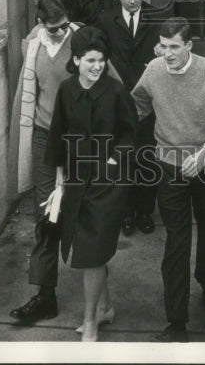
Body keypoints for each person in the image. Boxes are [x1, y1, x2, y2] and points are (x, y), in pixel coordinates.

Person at [132, 17, 205, 342]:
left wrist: (204, 155)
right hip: (168, 165)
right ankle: (176, 322)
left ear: (189, 46)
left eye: (174, 46)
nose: (168, 53)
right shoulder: (153, 71)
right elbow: (137, 104)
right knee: (176, 240)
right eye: (163, 46)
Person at [46, 25, 137, 341]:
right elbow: (58, 134)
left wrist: (112, 162)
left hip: (108, 183)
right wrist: (59, 178)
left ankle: (91, 323)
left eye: (101, 60)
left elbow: (130, 134)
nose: (97, 67)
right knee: (88, 250)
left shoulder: (115, 92)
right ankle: (106, 307)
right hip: (75, 180)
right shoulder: (67, 90)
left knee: (91, 252)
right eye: (90, 61)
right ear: (76, 60)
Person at [7, 0, 79, 325]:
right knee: (45, 215)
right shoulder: (33, 47)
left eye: (65, 25)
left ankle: (98, 296)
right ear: (41, 25)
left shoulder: (83, 40)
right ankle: (44, 295)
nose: (61, 32)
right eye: (54, 29)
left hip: (79, 140)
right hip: (44, 136)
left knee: (86, 213)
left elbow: (114, 88)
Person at [95, 0, 162, 236]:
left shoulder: (156, 17)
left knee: (147, 157)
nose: (133, 1)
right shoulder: (105, 20)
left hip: (149, 99)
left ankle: (145, 212)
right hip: (118, 100)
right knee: (121, 159)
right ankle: (124, 213)